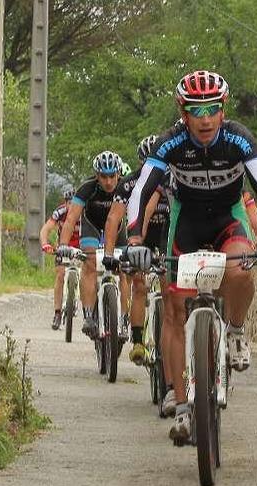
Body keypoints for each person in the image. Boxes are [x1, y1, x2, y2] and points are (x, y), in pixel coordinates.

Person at [124, 70, 257, 441]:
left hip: (228, 221)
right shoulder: (170, 143)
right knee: (172, 304)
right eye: (196, 109)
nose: (205, 118)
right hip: (187, 224)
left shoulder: (238, 139)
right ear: (183, 113)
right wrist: (134, 241)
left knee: (242, 270)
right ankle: (182, 406)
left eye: (212, 108)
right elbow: (142, 191)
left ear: (222, 109)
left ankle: (235, 330)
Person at [103, 135, 170, 366]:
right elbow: (114, 218)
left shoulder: (172, 180)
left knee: (168, 284)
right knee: (139, 285)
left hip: (166, 234)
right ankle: (139, 341)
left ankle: (172, 333)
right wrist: (110, 254)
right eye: (146, 163)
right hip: (139, 237)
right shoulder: (129, 184)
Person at [56, 151, 130, 338]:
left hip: (118, 229)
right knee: (88, 263)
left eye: (112, 176)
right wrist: (63, 245)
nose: (108, 181)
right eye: (103, 177)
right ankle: (89, 315)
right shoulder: (87, 188)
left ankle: (124, 318)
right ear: (96, 175)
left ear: (118, 174)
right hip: (92, 227)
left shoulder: (125, 187)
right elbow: (71, 217)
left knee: (123, 270)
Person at [41, 189, 81, 330]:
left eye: (75, 203)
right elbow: (46, 228)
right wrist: (45, 243)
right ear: (65, 203)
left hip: (81, 248)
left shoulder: (85, 213)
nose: (72, 206)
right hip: (63, 247)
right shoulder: (60, 212)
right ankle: (57, 313)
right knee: (60, 275)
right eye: (69, 203)